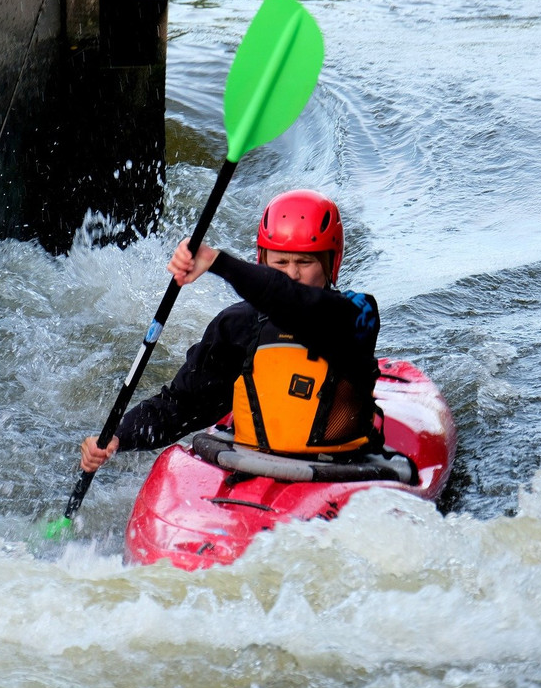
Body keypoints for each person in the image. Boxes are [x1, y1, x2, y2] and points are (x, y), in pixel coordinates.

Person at [80, 189, 405, 478]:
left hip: (340, 469)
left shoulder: (355, 314)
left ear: (331, 263)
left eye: (305, 262)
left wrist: (218, 262)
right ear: (261, 261)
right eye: (280, 262)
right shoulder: (238, 326)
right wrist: (118, 437)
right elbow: (181, 406)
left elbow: (293, 301)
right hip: (251, 466)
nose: (292, 274)